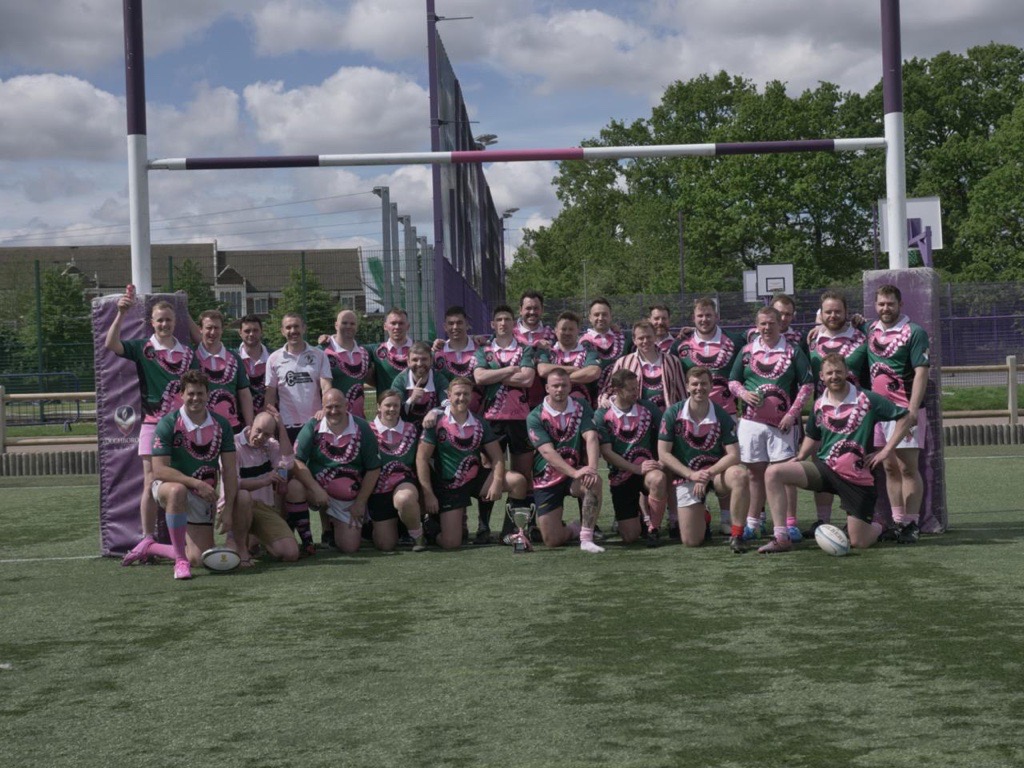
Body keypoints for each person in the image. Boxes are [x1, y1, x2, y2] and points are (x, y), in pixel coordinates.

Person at [758, 354, 911, 553]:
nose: (834, 376)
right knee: (774, 473)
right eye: (829, 373)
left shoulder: (867, 398)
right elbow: (813, 436)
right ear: (821, 376)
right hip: (826, 470)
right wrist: (801, 456)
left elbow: (905, 417)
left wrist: (886, 450)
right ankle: (781, 537)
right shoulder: (819, 404)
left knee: (859, 542)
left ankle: (880, 526)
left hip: (858, 479)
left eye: (839, 371)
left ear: (847, 372)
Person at [122, 370, 238, 580]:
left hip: (202, 495)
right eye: (191, 393)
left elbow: (230, 470)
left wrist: (228, 508)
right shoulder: (168, 423)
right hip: (169, 486)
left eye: (200, 393)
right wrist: (195, 483)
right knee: (178, 490)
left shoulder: (222, 425)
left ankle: (152, 547)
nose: (195, 398)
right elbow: (159, 470)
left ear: (208, 394)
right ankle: (179, 561)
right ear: (182, 395)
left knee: (200, 558)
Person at [106, 292, 194, 557]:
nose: (164, 324)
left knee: (183, 479)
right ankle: (147, 538)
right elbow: (111, 344)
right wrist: (121, 312)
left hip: (182, 425)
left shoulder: (188, 353)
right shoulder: (144, 347)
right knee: (150, 480)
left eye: (168, 320)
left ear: (175, 321)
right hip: (152, 424)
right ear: (152, 323)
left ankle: (188, 538)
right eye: (159, 321)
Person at [729, 306, 813, 542]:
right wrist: (743, 394)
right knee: (755, 474)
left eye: (771, 323)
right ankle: (753, 523)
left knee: (784, 474)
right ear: (757, 326)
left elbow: (807, 385)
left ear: (780, 324)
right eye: (762, 324)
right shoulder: (746, 351)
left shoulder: (793, 351)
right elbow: (732, 381)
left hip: (782, 425)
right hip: (751, 423)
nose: (767, 328)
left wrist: (792, 414)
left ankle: (790, 523)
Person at [417, 377, 530, 550]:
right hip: (449, 486)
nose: (461, 398)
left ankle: (509, 533)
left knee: (518, 481)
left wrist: (498, 482)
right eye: (457, 394)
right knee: (451, 543)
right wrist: (428, 494)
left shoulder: (479, 421)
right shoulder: (436, 423)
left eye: (466, 394)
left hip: (475, 479)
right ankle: (431, 528)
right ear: (449, 395)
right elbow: (422, 459)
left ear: (471, 396)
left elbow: (497, 457)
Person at [659, 367, 750, 553]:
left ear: (711, 387)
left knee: (740, 474)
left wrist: (707, 474)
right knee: (692, 541)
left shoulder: (721, 415)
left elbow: (734, 455)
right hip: (688, 475)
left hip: (715, 474)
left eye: (704, 384)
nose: (699, 388)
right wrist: (692, 475)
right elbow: (663, 453)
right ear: (686, 387)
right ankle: (704, 516)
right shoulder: (672, 414)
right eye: (694, 383)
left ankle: (737, 534)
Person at [674, 297, 745, 535]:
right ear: (693, 319)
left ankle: (727, 518)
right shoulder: (682, 345)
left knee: (726, 465)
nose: (704, 320)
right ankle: (697, 511)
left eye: (708, 315)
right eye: (699, 316)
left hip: (725, 414)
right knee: (694, 461)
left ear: (717, 316)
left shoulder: (735, 341)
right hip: (692, 418)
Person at [867, 284, 931, 544]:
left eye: (890, 304)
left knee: (907, 468)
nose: (885, 308)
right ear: (876, 305)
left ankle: (912, 523)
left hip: (904, 411)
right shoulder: (870, 329)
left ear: (900, 305)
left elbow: (921, 371)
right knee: (889, 467)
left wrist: (913, 409)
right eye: (881, 304)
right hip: (878, 413)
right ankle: (898, 522)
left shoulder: (913, 332)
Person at [803, 291, 869, 535]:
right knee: (821, 464)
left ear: (846, 312)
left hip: (855, 416)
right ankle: (822, 521)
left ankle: (854, 518)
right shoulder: (811, 339)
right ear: (821, 314)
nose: (833, 315)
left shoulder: (860, 338)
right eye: (828, 311)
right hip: (823, 412)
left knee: (852, 464)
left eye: (837, 311)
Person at [474, 304, 538, 544]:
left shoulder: (525, 349)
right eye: (499, 319)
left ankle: (513, 527)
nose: (503, 323)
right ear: (493, 324)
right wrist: (512, 370)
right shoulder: (485, 349)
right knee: (491, 473)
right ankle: (483, 527)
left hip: (520, 420)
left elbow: (529, 379)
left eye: (507, 319)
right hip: (492, 420)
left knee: (522, 475)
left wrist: (497, 373)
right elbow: (479, 377)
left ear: (514, 323)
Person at [291, 388, 381, 554]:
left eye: (338, 406)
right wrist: (316, 489)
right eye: (329, 407)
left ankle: (335, 525)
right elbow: (297, 461)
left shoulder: (362, 427)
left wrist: (360, 502)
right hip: (318, 491)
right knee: (294, 487)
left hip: (349, 498)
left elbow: (373, 469)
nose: (333, 411)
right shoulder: (313, 426)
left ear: (347, 405)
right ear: (322, 407)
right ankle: (307, 540)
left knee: (350, 547)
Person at [526, 367, 604, 553]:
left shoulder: (581, 405)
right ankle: (574, 529)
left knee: (594, 482)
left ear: (570, 387)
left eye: (564, 385)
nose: (559, 389)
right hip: (546, 477)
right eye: (555, 386)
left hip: (574, 474)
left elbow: (591, 437)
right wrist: (575, 472)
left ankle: (586, 538)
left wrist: (591, 468)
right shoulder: (535, 416)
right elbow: (547, 453)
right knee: (552, 540)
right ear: (547, 388)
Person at [594, 369, 667, 546]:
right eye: (631, 389)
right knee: (630, 537)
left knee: (658, 478)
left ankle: (653, 529)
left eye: (637, 388)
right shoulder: (602, 415)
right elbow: (607, 453)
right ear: (617, 390)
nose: (636, 392)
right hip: (621, 477)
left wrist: (661, 461)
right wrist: (634, 468)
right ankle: (640, 518)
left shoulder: (648, 408)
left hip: (647, 472)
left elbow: (666, 435)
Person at [228, 410, 300, 563]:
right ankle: (241, 548)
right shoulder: (233, 445)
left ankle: (257, 540)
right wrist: (264, 481)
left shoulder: (271, 445)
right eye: (258, 431)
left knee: (291, 553)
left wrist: (281, 426)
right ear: (251, 424)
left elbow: (287, 463)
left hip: (264, 508)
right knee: (230, 560)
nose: (260, 437)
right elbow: (233, 483)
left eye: (267, 434)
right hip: (238, 507)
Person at [368, 389, 427, 552]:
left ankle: (418, 535)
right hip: (377, 489)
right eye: (388, 405)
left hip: (404, 482)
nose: (392, 409)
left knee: (404, 499)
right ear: (378, 407)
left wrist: (424, 494)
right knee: (385, 545)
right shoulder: (367, 430)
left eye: (396, 405)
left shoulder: (411, 429)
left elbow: (420, 461)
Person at [264, 312, 332, 444]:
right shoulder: (273, 359)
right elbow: (270, 394)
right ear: (282, 331)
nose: (293, 331)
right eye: (288, 327)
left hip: (316, 421)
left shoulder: (319, 355)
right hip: (287, 424)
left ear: (304, 328)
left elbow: (326, 387)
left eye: (296, 326)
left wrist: (325, 409)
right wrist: (270, 422)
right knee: (290, 463)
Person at [191, 309, 254, 434]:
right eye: (209, 328)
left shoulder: (234, 358)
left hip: (231, 427)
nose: (213, 332)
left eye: (216, 328)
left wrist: (250, 427)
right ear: (200, 329)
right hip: (199, 427)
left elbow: (244, 394)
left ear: (222, 329)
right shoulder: (191, 357)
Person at [604, 320, 686, 411]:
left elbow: (682, 395)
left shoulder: (672, 361)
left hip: (666, 419)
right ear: (634, 340)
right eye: (641, 338)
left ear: (655, 337)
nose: (645, 341)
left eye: (648, 337)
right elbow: (610, 391)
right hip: (634, 419)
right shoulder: (623, 362)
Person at [536, 311, 602, 407]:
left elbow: (592, 373)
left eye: (571, 329)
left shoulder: (589, 353)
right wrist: (574, 370)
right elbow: (543, 370)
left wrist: (557, 380)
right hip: (552, 413)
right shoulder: (546, 352)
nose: (567, 332)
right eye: (563, 329)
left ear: (578, 330)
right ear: (556, 330)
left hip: (583, 412)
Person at [432, 305, 485, 415]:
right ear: (445, 327)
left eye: (459, 323)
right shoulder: (437, 354)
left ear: (467, 325)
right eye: (451, 323)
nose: (455, 327)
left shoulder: (481, 349)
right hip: (447, 417)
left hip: (480, 415)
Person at [321, 309, 372, 419]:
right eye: (344, 323)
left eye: (352, 323)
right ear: (336, 325)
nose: (348, 326)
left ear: (357, 327)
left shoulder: (365, 352)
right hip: (333, 418)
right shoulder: (322, 351)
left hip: (358, 418)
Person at [390, 342, 450, 429]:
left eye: (424, 359)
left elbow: (448, 404)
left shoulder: (439, 379)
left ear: (431, 360)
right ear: (408, 362)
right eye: (415, 360)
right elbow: (394, 410)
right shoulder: (400, 381)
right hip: (405, 429)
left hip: (433, 429)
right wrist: (411, 400)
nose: (419, 363)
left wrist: (434, 411)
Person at [581, 297, 631, 394]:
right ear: (590, 318)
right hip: (591, 397)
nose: (600, 318)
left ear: (610, 316)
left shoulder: (624, 339)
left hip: (621, 397)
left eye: (604, 314)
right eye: (596, 315)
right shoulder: (583, 343)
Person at [514, 291, 555, 408]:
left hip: (546, 403)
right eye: (528, 308)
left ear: (542, 309)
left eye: (536, 308)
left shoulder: (553, 335)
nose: (532, 312)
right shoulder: (509, 335)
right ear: (520, 310)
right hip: (512, 404)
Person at [368, 307, 414, 396]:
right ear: (385, 326)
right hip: (389, 407)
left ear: (408, 326)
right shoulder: (374, 350)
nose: (397, 327)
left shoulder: (423, 348)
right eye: (393, 323)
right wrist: (334, 338)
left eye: (401, 323)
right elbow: (349, 346)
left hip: (417, 406)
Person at [237, 314, 270, 414]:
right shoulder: (233, 358)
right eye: (247, 331)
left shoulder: (273, 357)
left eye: (255, 330)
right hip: (240, 417)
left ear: (261, 332)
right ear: (240, 333)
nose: (251, 334)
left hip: (269, 418)